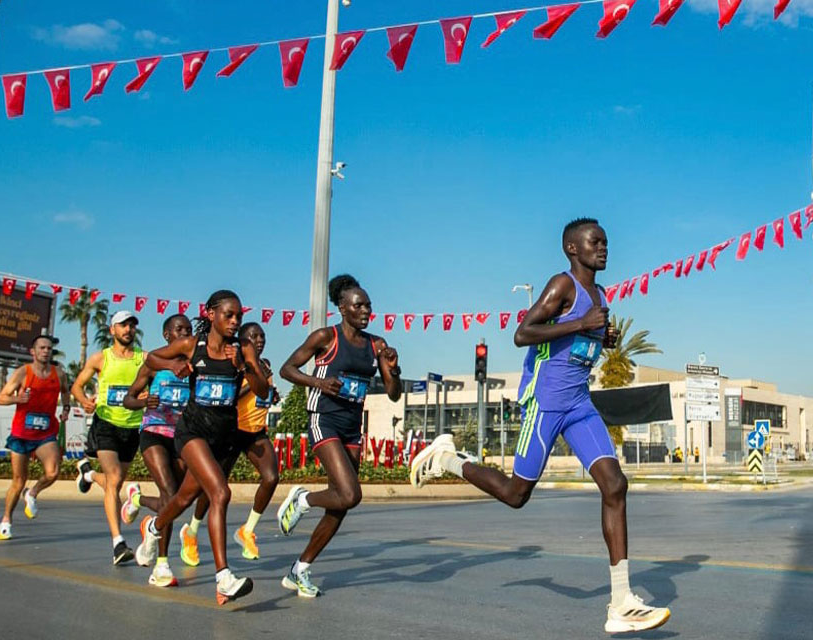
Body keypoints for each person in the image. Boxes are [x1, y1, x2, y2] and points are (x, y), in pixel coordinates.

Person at [411, 218, 671, 634]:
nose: (603, 248)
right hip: (546, 403)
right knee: (516, 495)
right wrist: (581, 325)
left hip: (579, 404)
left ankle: (621, 601)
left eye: (605, 242)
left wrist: (601, 339)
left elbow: (578, 343)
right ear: (573, 248)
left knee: (615, 485)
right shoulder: (562, 285)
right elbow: (523, 333)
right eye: (595, 242)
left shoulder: (600, 293)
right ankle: (447, 459)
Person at [135, 290, 272, 605]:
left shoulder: (243, 348)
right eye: (229, 314)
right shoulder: (191, 345)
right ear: (211, 314)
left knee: (184, 497)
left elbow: (263, 388)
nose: (235, 321)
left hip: (222, 437)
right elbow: (152, 357)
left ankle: (153, 527)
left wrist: (245, 368)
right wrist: (176, 365)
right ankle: (223, 577)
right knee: (220, 494)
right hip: (192, 431)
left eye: (238, 315)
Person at [274, 274, 402, 598]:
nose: (365, 311)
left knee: (341, 503)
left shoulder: (377, 345)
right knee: (351, 494)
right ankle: (302, 499)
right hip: (324, 421)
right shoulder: (325, 337)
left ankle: (299, 569)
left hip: (351, 427)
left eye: (368, 306)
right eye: (358, 305)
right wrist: (318, 382)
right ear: (342, 308)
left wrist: (394, 369)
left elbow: (392, 394)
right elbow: (286, 369)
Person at [119, 314, 196, 587]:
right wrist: (142, 402)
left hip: (182, 436)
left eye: (188, 329)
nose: (185, 334)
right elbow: (128, 398)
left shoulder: (194, 366)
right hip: (153, 432)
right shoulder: (153, 365)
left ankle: (138, 501)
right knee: (171, 494)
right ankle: (161, 565)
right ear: (167, 336)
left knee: (175, 500)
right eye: (179, 329)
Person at [71, 310, 146, 565]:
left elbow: (161, 381)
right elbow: (77, 386)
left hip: (132, 427)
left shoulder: (143, 360)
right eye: (123, 325)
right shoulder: (100, 359)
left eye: (132, 326)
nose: (128, 330)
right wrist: (84, 402)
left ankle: (89, 475)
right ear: (112, 330)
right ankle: (118, 543)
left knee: (115, 482)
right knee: (114, 480)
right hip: (105, 425)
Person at [0, 334, 71, 541]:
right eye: (42, 348)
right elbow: (1, 398)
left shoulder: (59, 373)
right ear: (33, 352)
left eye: (48, 348)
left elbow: (66, 392)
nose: (46, 351)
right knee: (18, 481)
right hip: (21, 434)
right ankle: (6, 521)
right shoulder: (23, 373)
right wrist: (16, 398)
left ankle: (33, 492)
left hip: (45, 433)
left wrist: (66, 408)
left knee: (53, 472)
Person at [228, 322, 281, 561]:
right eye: (254, 336)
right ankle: (192, 530)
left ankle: (247, 530)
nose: (260, 340)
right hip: (232, 430)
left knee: (271, 478)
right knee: (213, 488)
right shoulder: (235, 365)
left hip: (256, 432)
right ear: (242, 341)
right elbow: (230, 396)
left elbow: (264, 395)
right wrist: (254, 383)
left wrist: (272, 394)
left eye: (263, 336)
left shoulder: (266, 366)